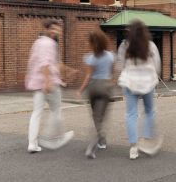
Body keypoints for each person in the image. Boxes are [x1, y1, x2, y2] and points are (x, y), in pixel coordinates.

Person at [26, 19, 74, 153]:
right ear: (46, 29)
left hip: (36, 83)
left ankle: (32, 143)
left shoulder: (37, 43)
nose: (56, 32)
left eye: (57, 30)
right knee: (56, 110)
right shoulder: (50, 44)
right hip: (49, 83)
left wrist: (68, 69)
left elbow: (53, 63)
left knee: (37, 113)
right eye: (53, 29)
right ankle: (53, 137)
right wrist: (47, 80)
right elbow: (45, 63)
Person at [116, 20, 162, 160]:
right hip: (148, 82)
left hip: (130, 82)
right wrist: (156, 77)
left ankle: (133, 147)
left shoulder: (125, 46)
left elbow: (120, 65)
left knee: (131, 114)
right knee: (149, 111)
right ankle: (146, 139)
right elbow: (157, 65)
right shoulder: (150, 45)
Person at [77, 29, 114, 159]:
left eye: (89, 42)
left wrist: (80, 89)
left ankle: (99, 139)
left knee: (95, 116)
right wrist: (110, 83)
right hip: (105, 87)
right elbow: (111, 73)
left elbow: (88, 76)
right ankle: (99, 141)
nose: (87, 44)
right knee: (101, 116)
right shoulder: (110, 56)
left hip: (93, 88)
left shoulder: (89, 58)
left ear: (93, 43)